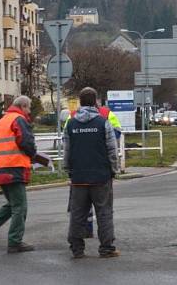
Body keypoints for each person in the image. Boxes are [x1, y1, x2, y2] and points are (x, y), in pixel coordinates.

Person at [63, 87, 120, 259]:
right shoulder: (103, 122)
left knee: (77, 214)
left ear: (80, 102)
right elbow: (112, 149)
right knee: (104, 212)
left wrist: (69, 171)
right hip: (100, 176)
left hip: (78, 177)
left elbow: (67, 151)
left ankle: (77, 248)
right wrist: (114, 169)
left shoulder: (71, 124)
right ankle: (106, 248)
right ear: (95, 101)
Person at [0, 96, 38, 253]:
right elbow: (26, 142)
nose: (29, 112)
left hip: (1, 168)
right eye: (29, 108)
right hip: (14, 167)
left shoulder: (0, 122)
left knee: (13, 205)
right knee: (20, 207)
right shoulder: (19, 119)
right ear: (23, 106)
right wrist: (34, 155)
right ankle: (15, 242)